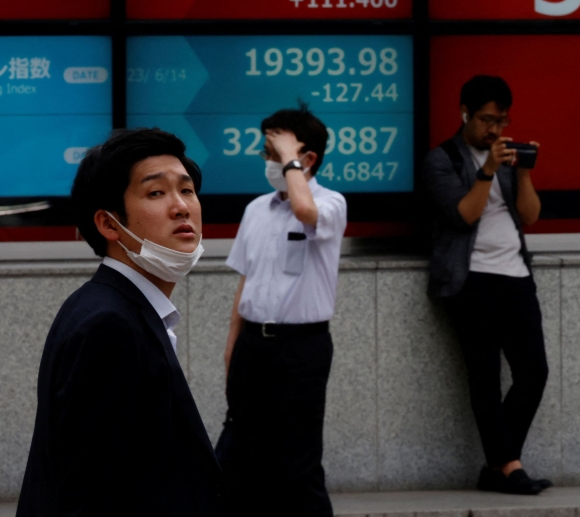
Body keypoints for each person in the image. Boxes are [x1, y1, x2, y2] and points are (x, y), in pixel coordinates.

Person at [17, 128, 222, 517]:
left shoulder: (109, 306)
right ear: (110, 225)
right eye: (156, 193)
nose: (181, 207)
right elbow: (94, 492)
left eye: (187, 190)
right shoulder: (108, 324)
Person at [216, 105, 347, 517]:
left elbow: (305, 212)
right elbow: (246, 281)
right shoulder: (256, 209)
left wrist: (290, 158)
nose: (269, 161)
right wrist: (232, 345)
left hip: (301, 349)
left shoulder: (331, 203)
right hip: (254, 344)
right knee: (235, 457)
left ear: (307, 159)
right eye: (269, 152)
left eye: (275, 153)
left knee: (298, 466)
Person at [423, 75, 551, 495]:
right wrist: (488, 170)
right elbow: (463, 215)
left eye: (501, 120)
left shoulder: (509, 160)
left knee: (534, 371)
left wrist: (524, 172)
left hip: (515, 275)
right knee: (485, 375)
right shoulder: (442, 160)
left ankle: (498, 466)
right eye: (485, 120)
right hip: (470, 280)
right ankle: (510, 466)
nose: (494, 129)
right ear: (465, 114)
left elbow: (530, 216)